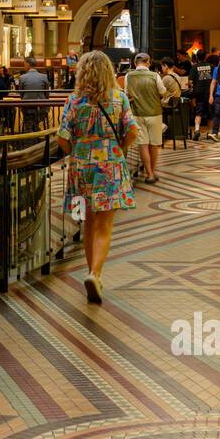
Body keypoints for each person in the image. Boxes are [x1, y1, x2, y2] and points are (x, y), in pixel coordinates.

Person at [56, 49, 137, 304]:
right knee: (105, 225)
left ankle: (91, 272)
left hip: (81, 166)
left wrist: (77, 152)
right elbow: (132, 131)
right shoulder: (119, 98)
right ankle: (95, 274)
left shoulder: (74, 100)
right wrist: (119, 148)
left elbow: (62, 137)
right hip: (110, 164)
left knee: (88, 221)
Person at [124, 51, 168, 183]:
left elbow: (126, 93)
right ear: (148, 62)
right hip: (155, 113)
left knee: (143, 145)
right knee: (154, 145)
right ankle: (151, 173)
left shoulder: (128, 76)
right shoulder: (155, 76)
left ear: (135, 63)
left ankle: (149, 173)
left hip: (137, 114)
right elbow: (163, 92)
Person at [18, 54, 50, 132]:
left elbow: (21, 94)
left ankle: (29, 132)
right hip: (41, 107)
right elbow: (47, 93)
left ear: (27, 64)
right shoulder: (44, 76)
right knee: (38, 117)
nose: (24, 66)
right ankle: (36, 129)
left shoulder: (22, 77)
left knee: (28, 120)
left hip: (27, 107)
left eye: (24, 64)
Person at [190, 50, 214, 140]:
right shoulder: (211, 66)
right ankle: (210, 132)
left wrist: (192, 95)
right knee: (210, 113)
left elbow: (190, 81)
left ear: (197, 57)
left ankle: (197, 130)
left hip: (198, 92)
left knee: (198, 112)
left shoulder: (194, 67)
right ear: (206, 57)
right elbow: (215, 80)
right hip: (209, 92)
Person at [207, 51, 220, 141]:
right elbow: (213, 82)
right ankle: (215, 133)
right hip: (219, 94)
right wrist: (211, 95)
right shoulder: (217, 69)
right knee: (217, 114)